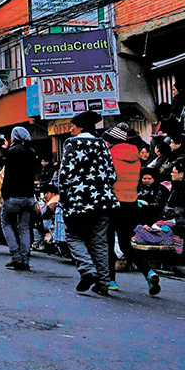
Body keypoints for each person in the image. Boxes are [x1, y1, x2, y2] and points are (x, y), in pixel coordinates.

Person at [56, 111, 119, 296]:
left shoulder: (72, 144)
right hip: (103, 202)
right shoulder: (101, 143)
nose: (70, 129)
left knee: (73, 236)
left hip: (78, 202)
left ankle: (87, 269)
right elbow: (112, 174)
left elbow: (64, 175)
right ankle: (103, 283)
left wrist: (64, 198)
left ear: (81, 126)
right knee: (99, 242)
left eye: (72, 125)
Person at [104, 123, 161, 296]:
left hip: (114, 202)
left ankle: (111, 280)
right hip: (131, 204)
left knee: (109, 242)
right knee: (125, 243)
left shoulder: (110, 155)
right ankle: (148, 272)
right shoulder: (136, 158)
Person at [0, 127, 38, 270]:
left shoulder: (11, 152)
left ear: (14, 137)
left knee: (6, 223)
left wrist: (4, 194)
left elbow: (9, 174)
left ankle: (15, 255)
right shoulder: (32, 152)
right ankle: (25, 259)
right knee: (24, 228)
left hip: (13, 196)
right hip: (29, 196)